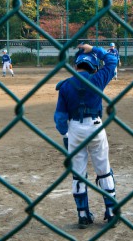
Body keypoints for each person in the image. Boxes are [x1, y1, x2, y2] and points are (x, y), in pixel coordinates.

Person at [53, 43, 119, 228]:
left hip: (75, 130)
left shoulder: (66, 85)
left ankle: (83, 215)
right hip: (96, 127)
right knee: (104, 170)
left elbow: (60, 117)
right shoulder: (97, 79)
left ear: (76, 66)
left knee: (78, 174)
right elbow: (112, 61)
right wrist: (95, 49)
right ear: (93, 66)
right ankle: (112, 212)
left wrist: (65, 134)